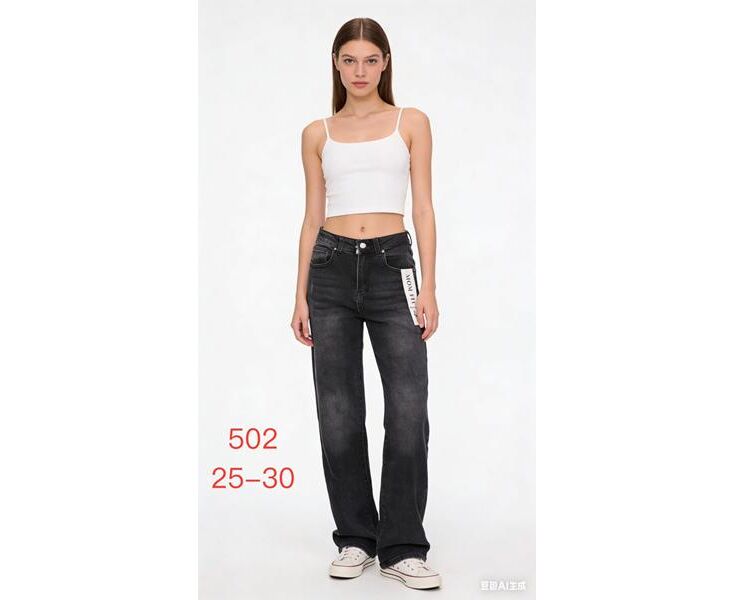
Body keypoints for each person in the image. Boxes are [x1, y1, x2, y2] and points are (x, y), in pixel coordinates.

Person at [291, 17, 441, 591]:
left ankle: (402, 546)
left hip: (392, 267)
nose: (360, 71)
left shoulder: (411, 123)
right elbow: (311, 216)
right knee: (337, 412)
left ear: (385, 63)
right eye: (349, 60)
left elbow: (422, 208)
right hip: (329, 270)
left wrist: (429, 286)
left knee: (407, 408)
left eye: (370, 60)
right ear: (336, 63)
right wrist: (300, 294)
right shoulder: (317, 133)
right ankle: (355, 538)